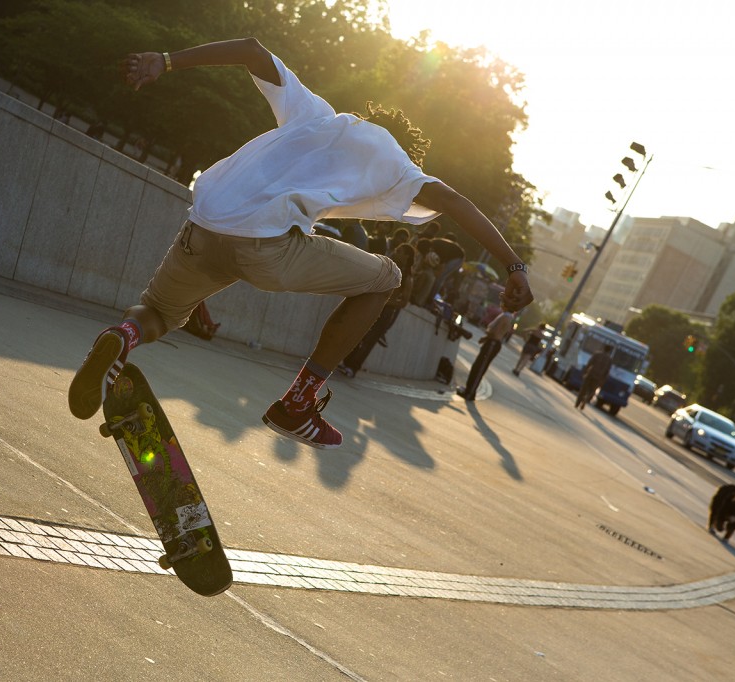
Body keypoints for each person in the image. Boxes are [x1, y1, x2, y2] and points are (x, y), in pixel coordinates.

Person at [68, 38, 533, 449]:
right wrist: (513, 266)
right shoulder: (399, 165)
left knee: (158, 313)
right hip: (265, 248)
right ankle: (298, 402)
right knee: (384, 279)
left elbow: (251, 48)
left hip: (204, 225)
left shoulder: (316, 114)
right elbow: (452, 200)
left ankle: (121, 337)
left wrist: (164, 61)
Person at [337, 243, 417, 377]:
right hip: (372, 305)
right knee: (358, 333)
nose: (396, 252)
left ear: (406, 256)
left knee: (370, 340)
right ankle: (346, 362)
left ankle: (353, 367)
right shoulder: (388, 267)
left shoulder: (408, 278)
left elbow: (403, 302)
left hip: (386, 312)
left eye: (399, 251)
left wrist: (386, 301)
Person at [457, 310, 515, 401]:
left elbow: (496, 333)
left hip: (492, 343)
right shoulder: (506, 316)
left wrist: (488, 336)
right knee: (477, 366)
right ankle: (469, 389)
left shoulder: (505, 317)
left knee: (479, 368)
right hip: (492, 342)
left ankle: (470, 393)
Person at [575, 344, 614, 410]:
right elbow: (607, 371)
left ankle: (577, 403)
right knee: (592, 391)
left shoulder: (597, 354)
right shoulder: (609, 360)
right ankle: (585, 400)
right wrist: (603, 380)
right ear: (609, 351)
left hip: (591, 374)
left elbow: (589, 363)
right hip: (598, 377)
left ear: (603, 348)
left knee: (583, 389)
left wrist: (585, 372)